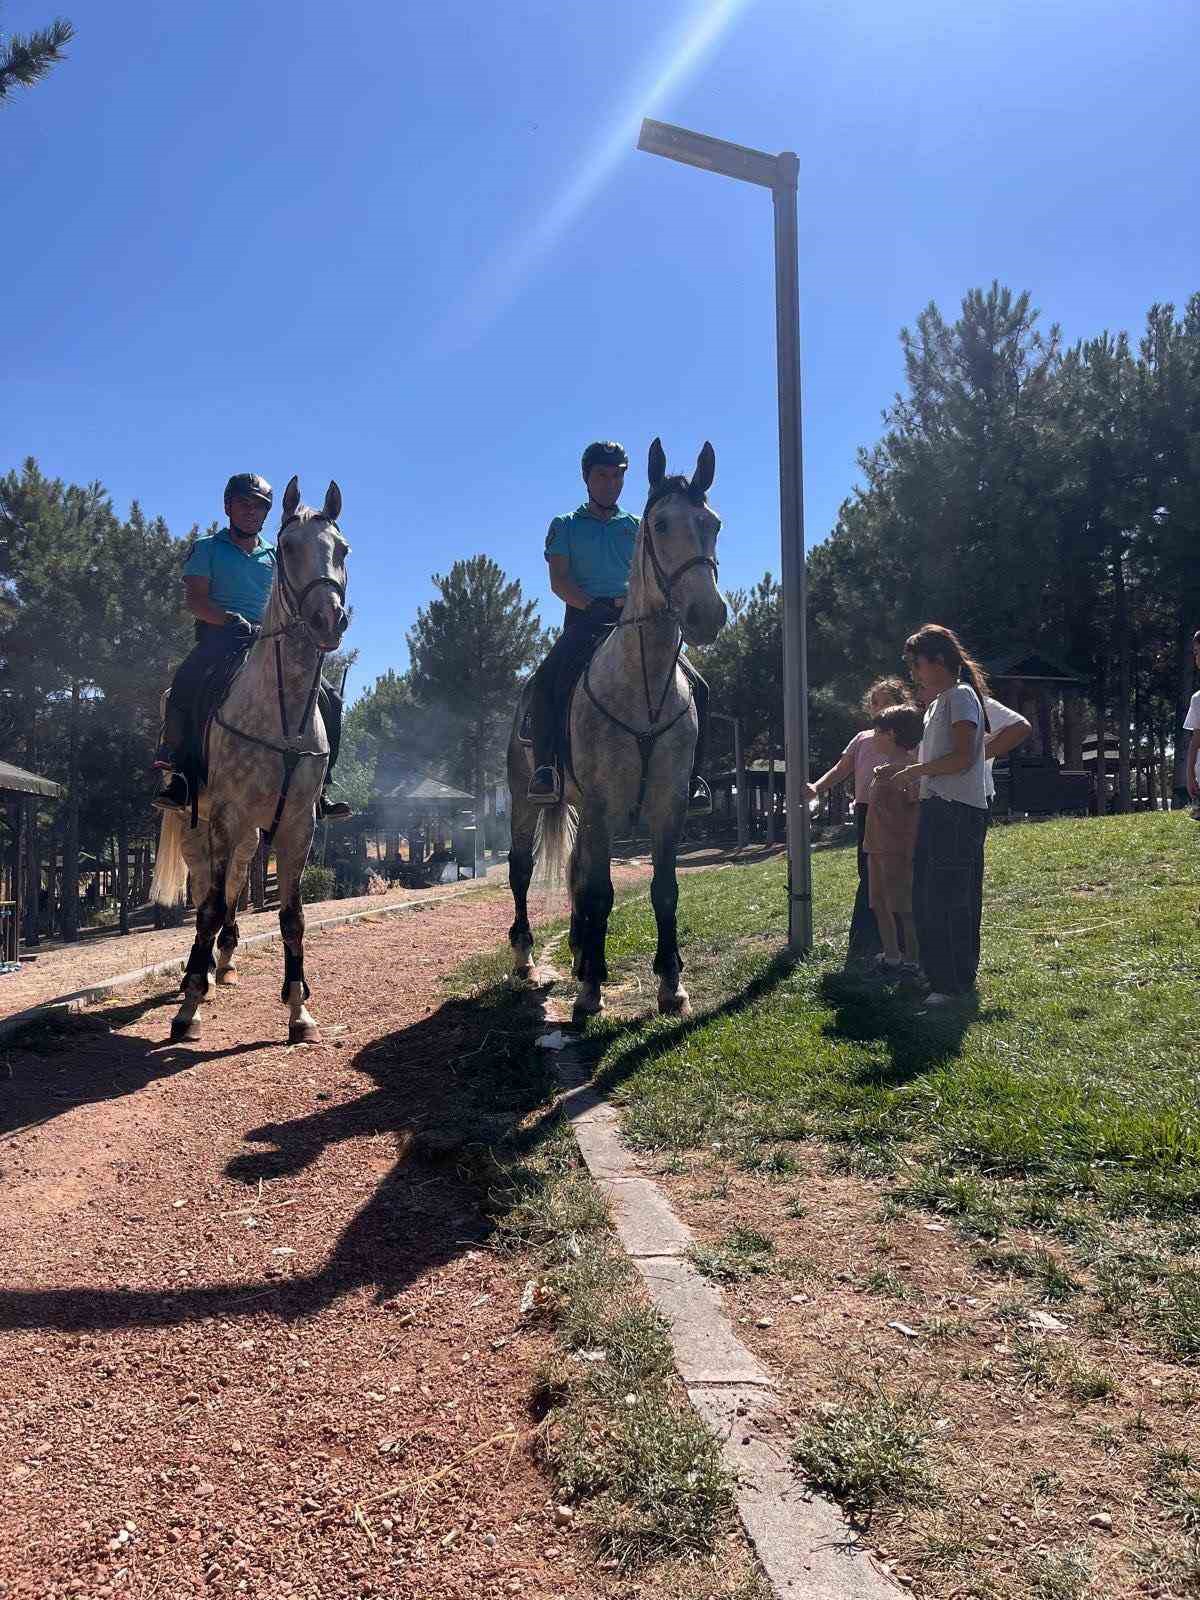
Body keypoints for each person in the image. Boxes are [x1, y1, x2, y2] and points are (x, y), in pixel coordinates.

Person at [526, 440, 712, 814]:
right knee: (544, 682)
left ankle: (693, 780)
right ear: (587, 479)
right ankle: (546, 771)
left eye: (616, 476)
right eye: (602, 476)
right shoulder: (565, 526)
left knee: (700, 690)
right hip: (585, 620)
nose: (610, 483)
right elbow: (559, 581)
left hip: (636, 620)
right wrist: (590, 605)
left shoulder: (636, 526)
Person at [152, 472, 350, 821]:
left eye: (259, 507)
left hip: (272, 641)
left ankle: (322, 788)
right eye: (244, 504)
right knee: (184, 684)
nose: (251, 512)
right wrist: (228, 620)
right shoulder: (208, 547)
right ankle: (179, 775)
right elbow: (196, 601)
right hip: (222, 637)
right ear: (228, 506)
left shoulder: (277, 555)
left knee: (331, 699)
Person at [882, 625, 991, 1007]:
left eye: (917, 664)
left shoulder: (961, 697)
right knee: (928, 896)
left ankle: (953, 984)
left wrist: (915, 773)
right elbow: (939, 761)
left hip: (958, 812)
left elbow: (962, 757)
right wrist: (910, 774)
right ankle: (939, 977)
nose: (914, 673)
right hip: (937, 808)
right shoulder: (938, 704)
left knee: (949, 898)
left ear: (939, 661)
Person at [804, 677, 909, 962]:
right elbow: (842, 768)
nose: (878, 708)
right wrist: (817, 787)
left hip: (899, 810)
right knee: (868, 873)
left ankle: (903, 943)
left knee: (896, 874)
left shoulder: (911, 735)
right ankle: (869, 940)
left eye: (885, 701)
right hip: (866, 810)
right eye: (874, 703)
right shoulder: (863, 737)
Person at [863, 705, 924, 976]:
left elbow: (914, 814)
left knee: (903, 906)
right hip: (875, 846)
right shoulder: (881, 770)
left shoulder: (909, 772)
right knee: (878, 902)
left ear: (893, 735)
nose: (872, 736)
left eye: (878, 731)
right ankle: (891, 955)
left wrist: (910, 850)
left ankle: (913, 960)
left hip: (897, 850)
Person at [1184, 629, 1200, 820]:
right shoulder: (1197, 699)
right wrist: (1189, 775)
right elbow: (1196, 740)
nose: (1196, 658)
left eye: (1197, 652)